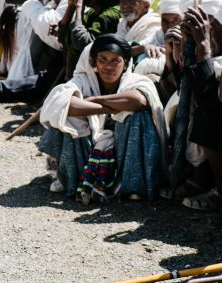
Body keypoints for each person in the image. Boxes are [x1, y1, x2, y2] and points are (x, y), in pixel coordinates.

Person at [38, 33, 166, 201]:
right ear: (94, 62)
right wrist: (109, 108)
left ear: (125, 64)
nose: (108, 66)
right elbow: (63, 103)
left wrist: (93, 100)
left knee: (139, 116)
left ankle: (132, 185)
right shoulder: (83, 80)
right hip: (89, 146)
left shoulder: (137, 81)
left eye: (115, 61)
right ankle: (73, 178)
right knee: (66, 117)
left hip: (123, 149)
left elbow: (138, 101)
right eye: (103, 59)